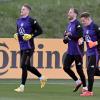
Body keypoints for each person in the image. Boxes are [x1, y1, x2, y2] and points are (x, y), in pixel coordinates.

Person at [14, 4, 47, 92]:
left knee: (23, 65)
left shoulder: (32, 21)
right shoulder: (18, 21)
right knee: (27, 66)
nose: (21, 10)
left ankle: (22, 86)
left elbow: (40, 31)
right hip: (22, 46)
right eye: (21, 9)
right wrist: (17, 34)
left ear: (28, 11)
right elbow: (19, 32)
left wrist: (31, 35)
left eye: (23, 9)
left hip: (29, 46)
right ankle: (42, 77)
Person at [63, 8, 87, 92]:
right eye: (68, 12)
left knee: (79, 70)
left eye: (70, 12)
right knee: (66, 67)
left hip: (78, 51)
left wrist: (70, 35)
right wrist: (65, 38)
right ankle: (77, 81)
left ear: (75, 14)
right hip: (70, 51)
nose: (68, 14)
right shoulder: (69, 25)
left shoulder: (78, 24)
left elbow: (80, 36)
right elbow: (65, 40)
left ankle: (85, 87)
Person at [80, 12, 100, 96]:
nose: (82, 22)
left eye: (84, 21)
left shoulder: (95, 27)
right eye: (82, 21)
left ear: (88, 19)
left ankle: (89, 91)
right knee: (94, 71)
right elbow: (87, 37)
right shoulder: (85, 28)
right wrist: (82, 39)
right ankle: (89, 91)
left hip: (96, 52)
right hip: (89, 52)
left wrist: (95, 43)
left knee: (89, 71)